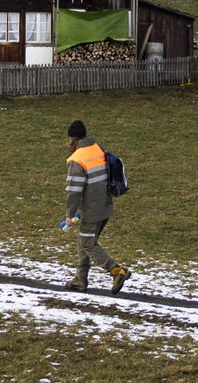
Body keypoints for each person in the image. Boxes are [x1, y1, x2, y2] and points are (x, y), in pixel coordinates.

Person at [63, 120, 131, 294]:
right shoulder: (96, 149)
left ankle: (117, 271)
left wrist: (69, 215)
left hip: (91, 210)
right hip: (105, 206)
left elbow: (73, 192)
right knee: (85, 241)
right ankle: (80, 279)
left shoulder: (76, 159)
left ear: (73, 139)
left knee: (87, 242)